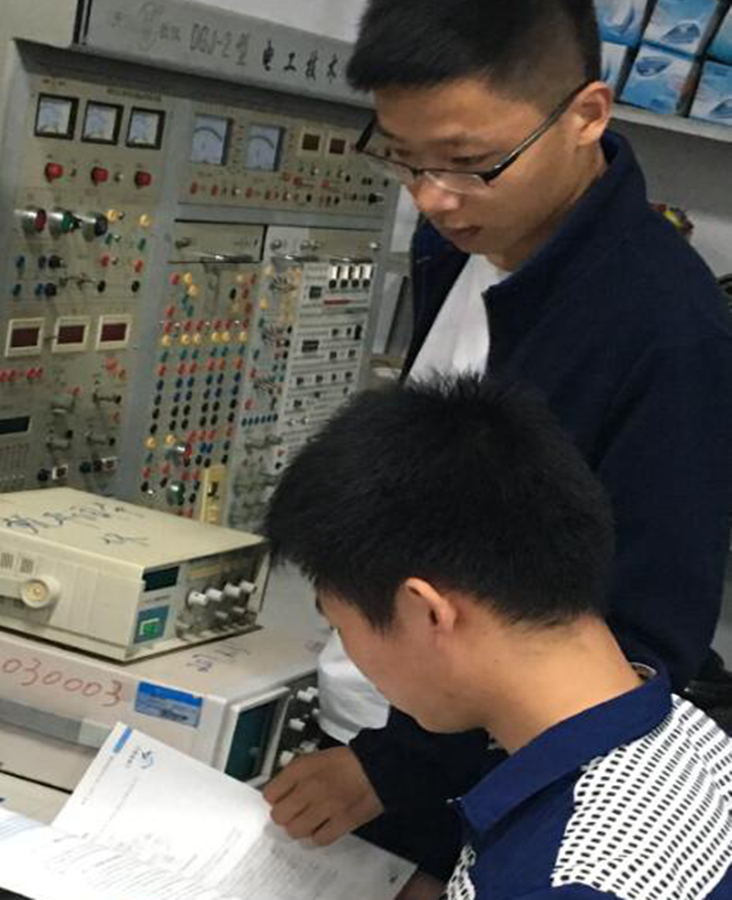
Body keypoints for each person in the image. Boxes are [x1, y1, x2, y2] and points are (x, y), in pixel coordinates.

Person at [263, 0, 732, 887]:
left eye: (471, 163)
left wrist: (400, 772)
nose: (433, 198)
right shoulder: (460, 246)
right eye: (406, 158)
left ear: (587, 114)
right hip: (386, 711)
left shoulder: (668, 332)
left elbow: (641, 641)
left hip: (483, 777)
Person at [265, 375, 732, 900]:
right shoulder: (685, 734)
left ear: (426, 612)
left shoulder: (566, 882)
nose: (350, 652)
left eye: (340, 626)